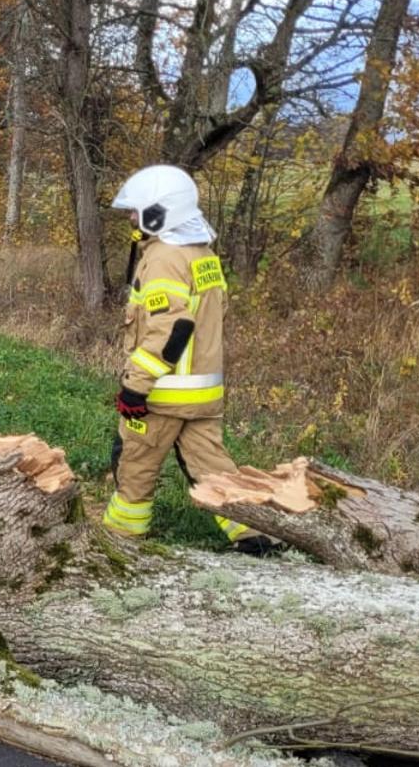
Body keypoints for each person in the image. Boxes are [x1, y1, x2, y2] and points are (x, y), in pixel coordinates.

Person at [101, 165, 267, 551]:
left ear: (159, 213)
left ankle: (118, 543)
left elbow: (170, 330)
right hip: (203, 395)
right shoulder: (203, 254)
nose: (130, 217)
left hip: (163, 396)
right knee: (214, 471)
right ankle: (258, 538)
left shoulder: (164, 258)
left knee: (135, 470)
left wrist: (134, 388)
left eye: (136, 210)